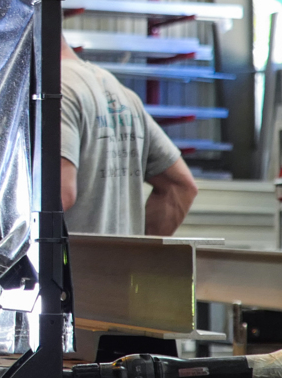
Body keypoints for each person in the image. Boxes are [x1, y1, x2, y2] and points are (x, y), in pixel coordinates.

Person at [58, 33, 197, 237]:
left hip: (68, 268)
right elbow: (180, 186)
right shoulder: (121, 93)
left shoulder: (53, 91)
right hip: (119, 268)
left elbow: (60, 195)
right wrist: (136, 255)